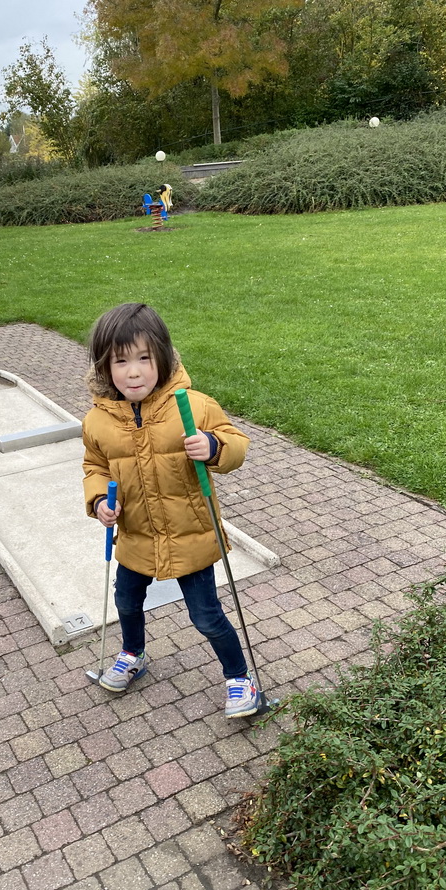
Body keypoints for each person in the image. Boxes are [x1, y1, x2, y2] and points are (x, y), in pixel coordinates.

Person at [82, 302, 261, 718]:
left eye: (144, 358)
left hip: (189, 537)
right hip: (135, 537)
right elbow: (94, 466)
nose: (133, 371)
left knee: (207, 617)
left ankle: (239, 677)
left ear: (162, 356)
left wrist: (213, 446)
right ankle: (132, 654)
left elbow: (236, 444)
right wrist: (99, 501)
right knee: (126, 601)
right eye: (120, 361)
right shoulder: (98, 420)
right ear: (104, 368)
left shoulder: (193, 406)